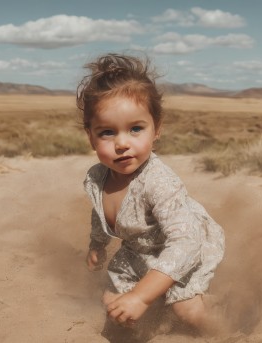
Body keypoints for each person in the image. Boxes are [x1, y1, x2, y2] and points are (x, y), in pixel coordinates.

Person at [77, 53, 225, 339]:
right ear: (90, 136)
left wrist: (142, 297)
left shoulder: (158, 181)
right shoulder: (96, 178)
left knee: (187, 310)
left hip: (183, 248)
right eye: (107, 132)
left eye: (135, 129)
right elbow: (98, 213)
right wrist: (98, 244)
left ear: (156, 129)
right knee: (111, 304)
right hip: (138, 253)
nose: (122, 143)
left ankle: (222, 331)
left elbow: (186, 241)